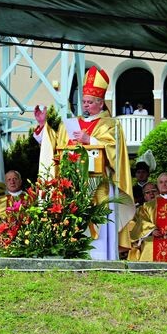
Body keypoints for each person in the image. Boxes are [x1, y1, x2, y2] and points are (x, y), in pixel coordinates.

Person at [33, 66, 135, 260]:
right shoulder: (70, 124)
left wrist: (91, 140)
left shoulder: (111, 124)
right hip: (72, 187)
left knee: (101, 224)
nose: (86, 105)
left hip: (100, 187)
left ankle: (102, 259)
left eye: (90, 102)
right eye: (84, 102)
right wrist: (42, 126)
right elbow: (55, 148)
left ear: (100, 102)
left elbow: (116, 152)